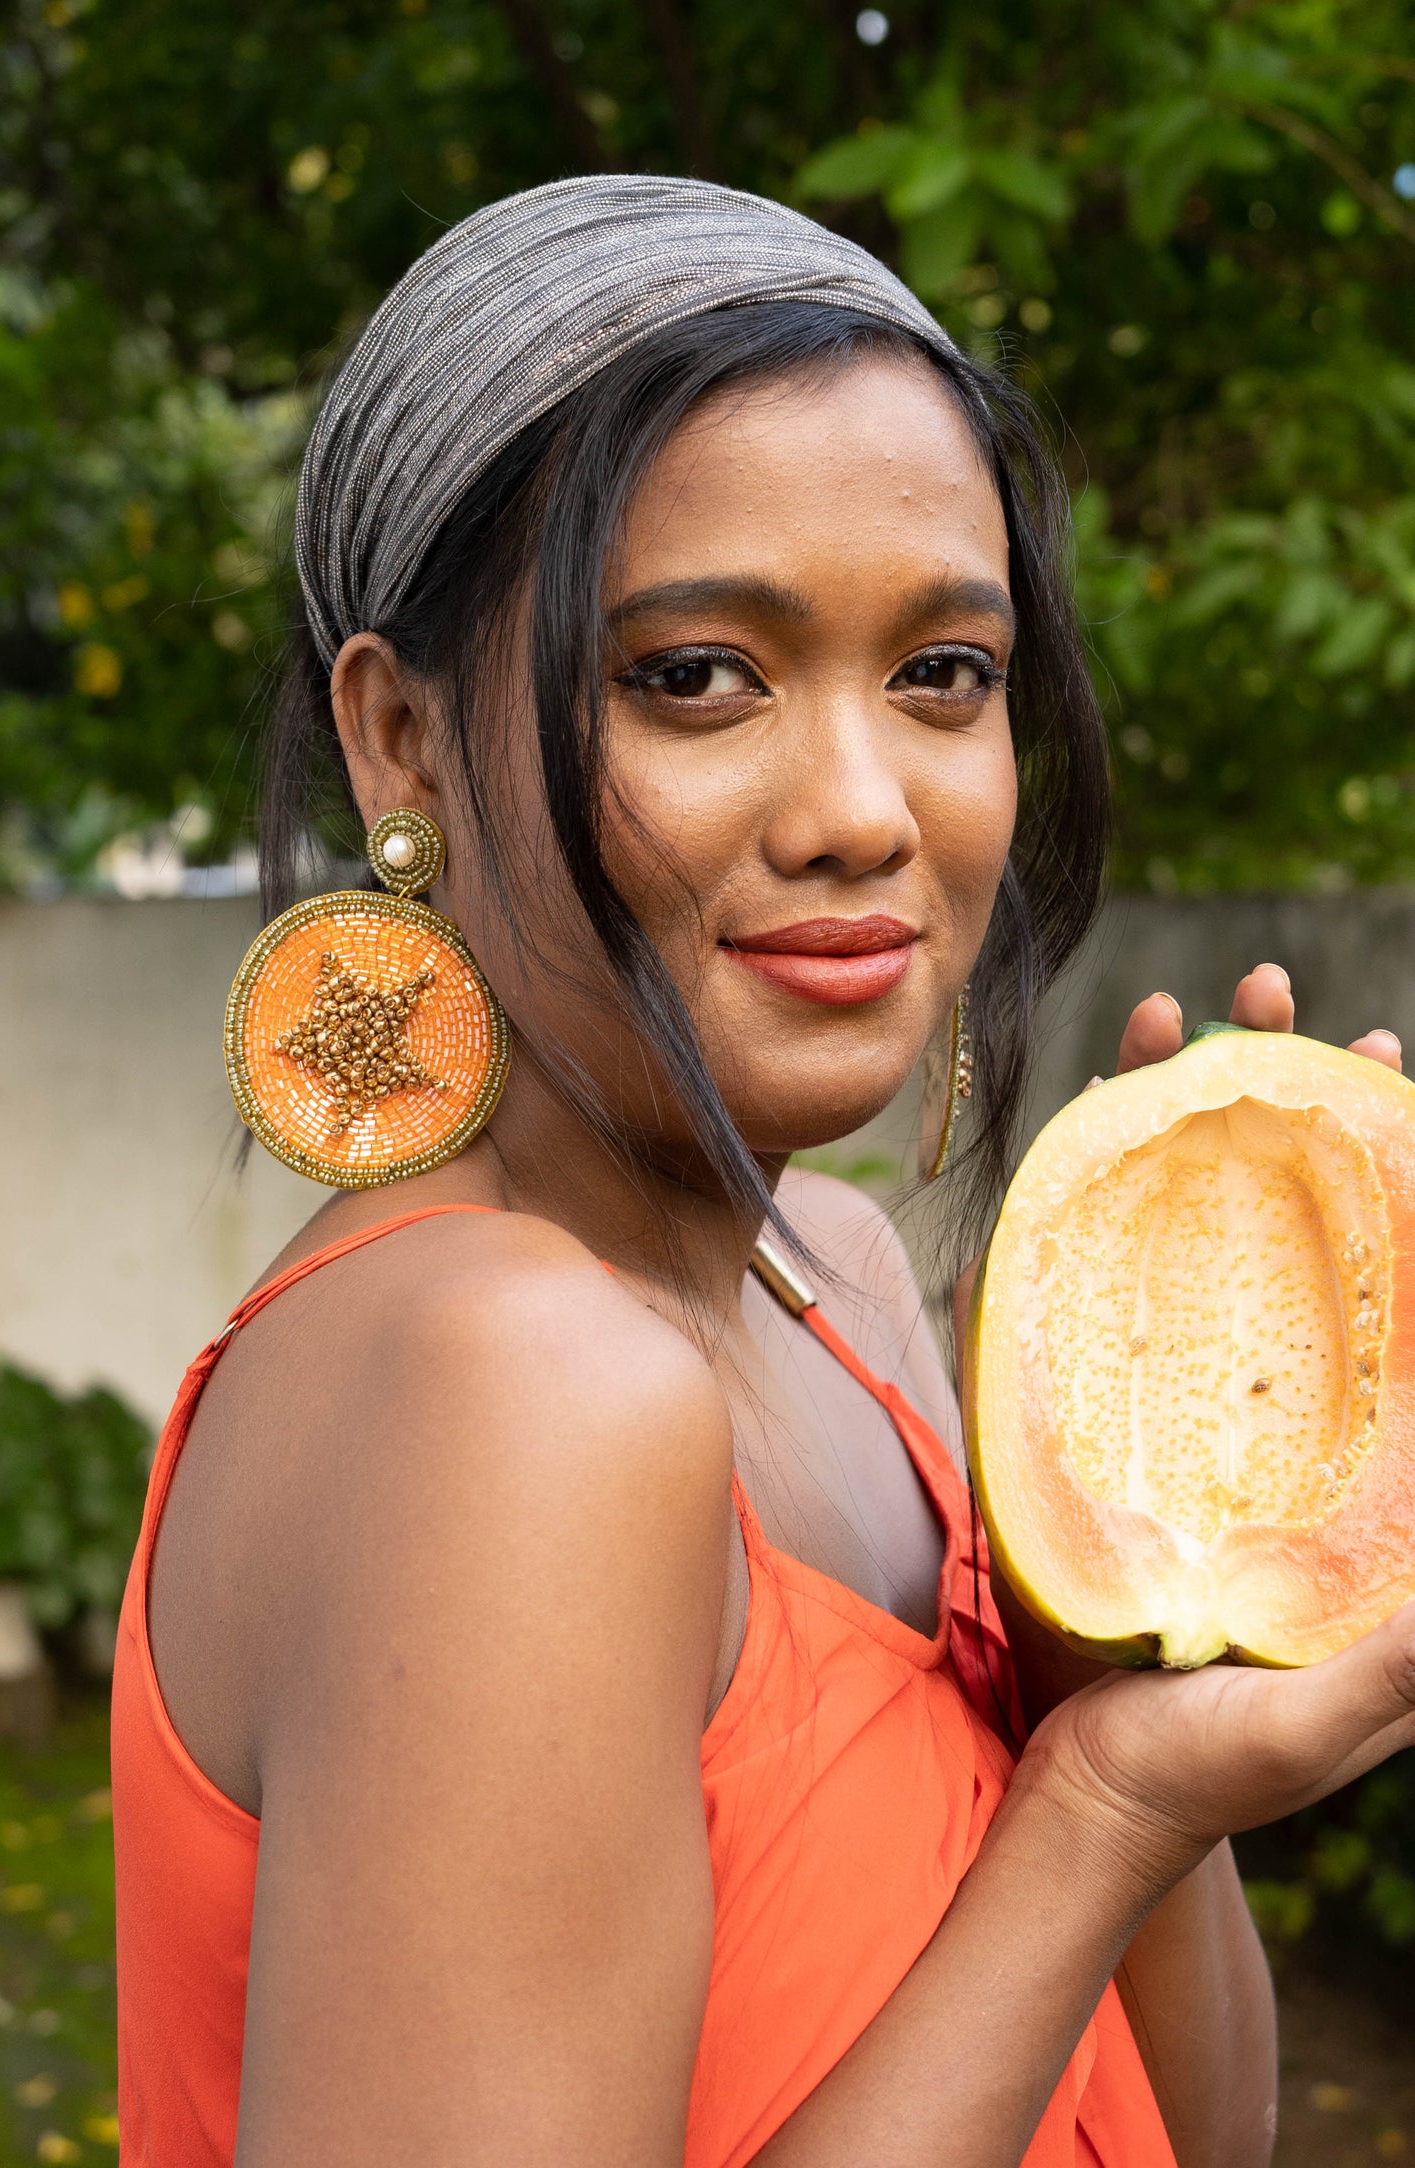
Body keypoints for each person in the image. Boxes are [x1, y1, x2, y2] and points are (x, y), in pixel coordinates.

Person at [111, 176, 1415, 2168]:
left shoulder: (845, 1281)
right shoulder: (517, 1393)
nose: (862, 810)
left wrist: (1108, 1663)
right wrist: (1100, 1817)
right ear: (403, 743)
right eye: (699, 676)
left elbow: (1191, 2132)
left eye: (943, 674)